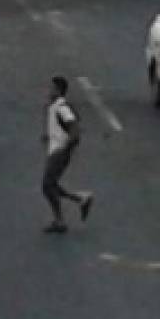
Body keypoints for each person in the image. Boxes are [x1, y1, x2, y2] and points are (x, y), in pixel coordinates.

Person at [42, 76, 94, 233]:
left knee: (47, 185)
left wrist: (66, 146)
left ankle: (60, 220)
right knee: (50, 185)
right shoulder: (55, 107)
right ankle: (80, 199)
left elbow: (74, 128)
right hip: (55, 150)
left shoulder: (61, 108)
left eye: (51, 88)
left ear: (58, 90)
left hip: (59, 152)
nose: (48, 91)